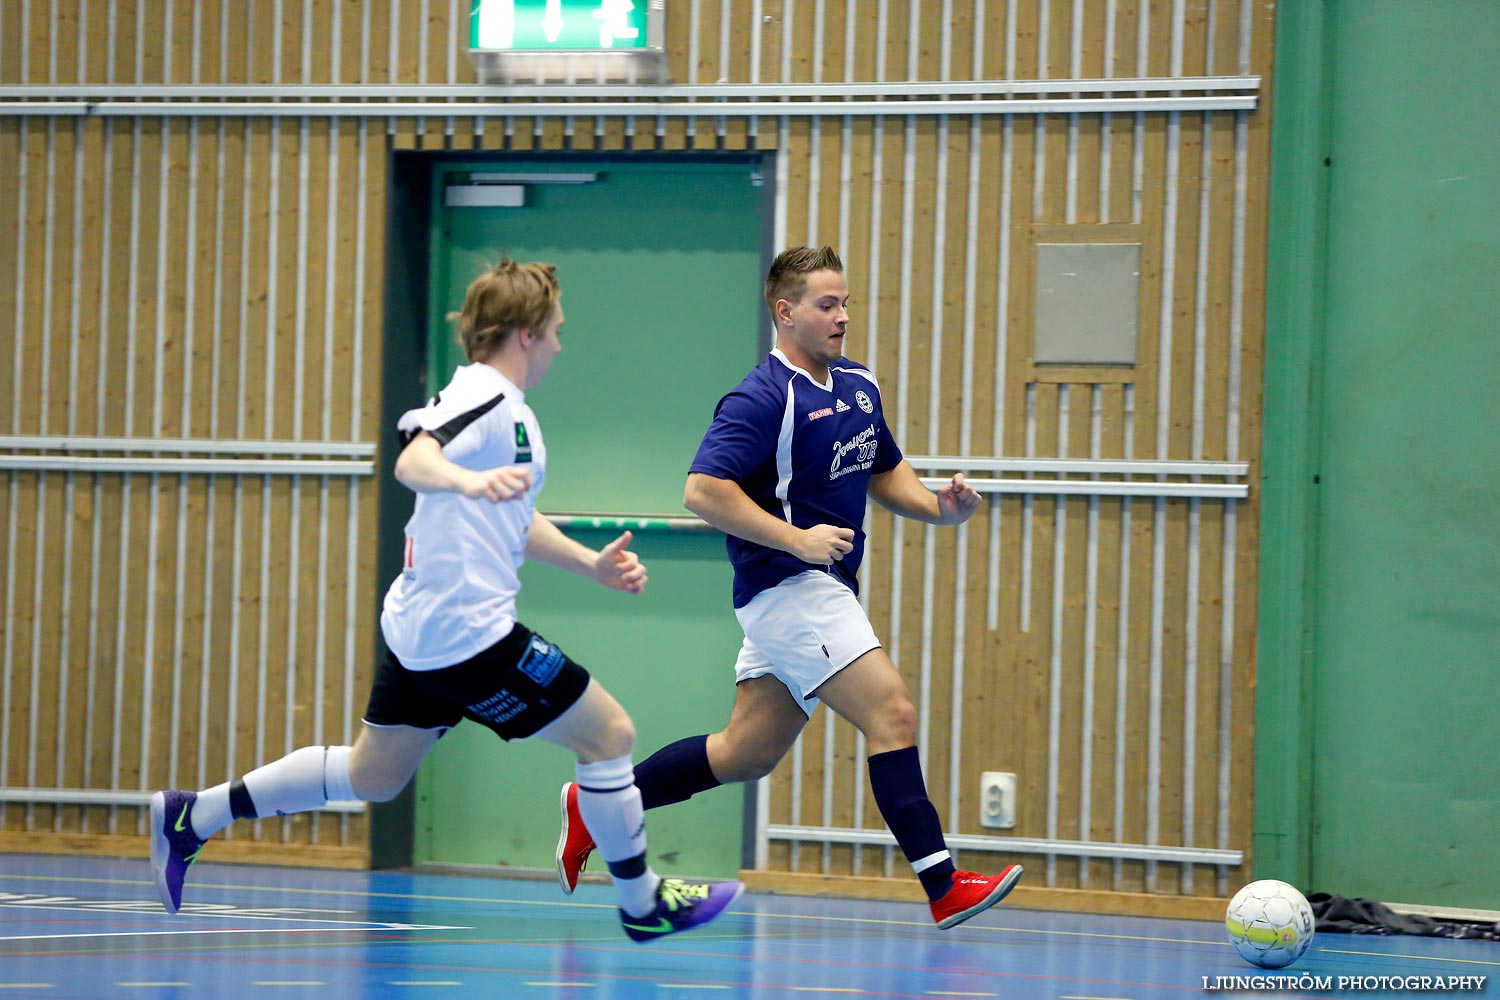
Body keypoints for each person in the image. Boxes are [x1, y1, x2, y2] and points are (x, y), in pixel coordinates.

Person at [150, 257, 742, 942]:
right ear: (525, 333)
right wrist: (460, 483)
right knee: (610, 736)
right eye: (554, 330)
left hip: (425, 629)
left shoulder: (511, 416)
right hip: (468, 636)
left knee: (372, 775)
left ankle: (193, 817)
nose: (558, 344)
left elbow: (514, 521)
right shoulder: (482, 398)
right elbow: (413, 458)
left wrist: (590, 565)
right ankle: (643, 905)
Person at [552, 245, 1023, 930]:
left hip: (825, 590)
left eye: (846, 303)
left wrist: (937, 507)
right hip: (789, 588)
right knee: (892, 713)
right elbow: (702, 491)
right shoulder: (761, 396)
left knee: (745, 753)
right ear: (785, 312)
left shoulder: (859, 387)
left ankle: (593, 805)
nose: (842, 318)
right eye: (827, 305)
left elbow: (882, 468)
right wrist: (796, 538)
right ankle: (944, 885)